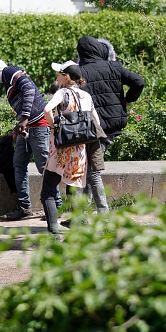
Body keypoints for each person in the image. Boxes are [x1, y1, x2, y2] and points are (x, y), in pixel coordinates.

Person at [75, 36, 144, 218]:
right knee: (91, 170)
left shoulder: (81, 72)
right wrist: (127, 100)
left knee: (91, 172)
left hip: (93, 127)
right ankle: (83, 216)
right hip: (112, 125)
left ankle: (102, 216)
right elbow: (139, 81)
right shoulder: (114, 67)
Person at [0, 57, 60, 221]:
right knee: (18, 164)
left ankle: (56, 205)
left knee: (44, 166)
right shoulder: (7, 79)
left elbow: (29, 89)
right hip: (27, 128)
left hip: (38, 125)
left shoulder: (10, 71)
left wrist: (24, 119)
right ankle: (24, 207)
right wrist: (21, 124)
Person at [42, 60, 100, 236]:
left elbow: (47, 110)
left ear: (66, 77)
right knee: (73, 189)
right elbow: (96, 122)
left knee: (48, 190)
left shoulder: (62, 93)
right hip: (79, 152)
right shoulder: (86, 96)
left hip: (61, 149)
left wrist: (53, 127)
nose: (57, 77)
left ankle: (54, 232)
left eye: (59, 74)